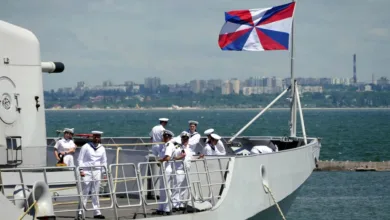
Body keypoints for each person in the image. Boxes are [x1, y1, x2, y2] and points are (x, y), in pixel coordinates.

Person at [76, 131, 107, 219]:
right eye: (95, 136)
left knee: (95, 192)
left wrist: (105, 173)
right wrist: (81, 170)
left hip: (97, 171)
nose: (97, 138)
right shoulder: (86, 147)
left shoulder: (102, 148)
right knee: (85, 192)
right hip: (86, 171)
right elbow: (80, 159)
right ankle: (80, 212)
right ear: (92, 137)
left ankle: (97, 212)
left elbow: (104, 161)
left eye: (98, 137)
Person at [154, 130, 175, 215]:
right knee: (162, 188)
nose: (164, 138)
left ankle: (167, 208)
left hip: (167, 168)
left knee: (166, 188)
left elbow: (167, 157)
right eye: (164, 136)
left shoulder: (169, 145)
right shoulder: (164, 145)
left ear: (169, 137)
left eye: (166, 137)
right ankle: (161, 207)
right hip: (163, 168)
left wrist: (160, 161)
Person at [171, 131, 193, 211]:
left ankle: (181, 203)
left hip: (186, 170)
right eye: (184, 138)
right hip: (179, 170)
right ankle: (174, 204)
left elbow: (190, 158)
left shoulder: (189, 149)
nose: (185, 140)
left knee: (184, 188)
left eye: (186, 139)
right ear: (181, 139)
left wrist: (199, 157)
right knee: (176, 187)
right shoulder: (177, 148)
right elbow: (174, 157)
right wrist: (181, 156)